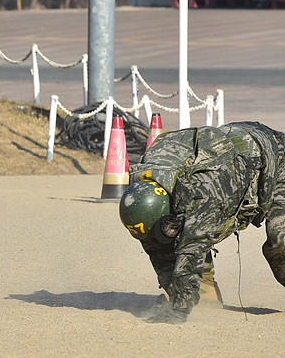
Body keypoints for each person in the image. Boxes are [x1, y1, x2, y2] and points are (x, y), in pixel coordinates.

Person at [119, 121, 285, 324]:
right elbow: (156, 246)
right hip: (225, 153)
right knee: (174, 234)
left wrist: (178, 310)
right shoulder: (140, 193)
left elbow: (193, 244)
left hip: (275, 160)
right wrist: (174, 290)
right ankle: (204, 297)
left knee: (280, 243)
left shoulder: (200, 191)